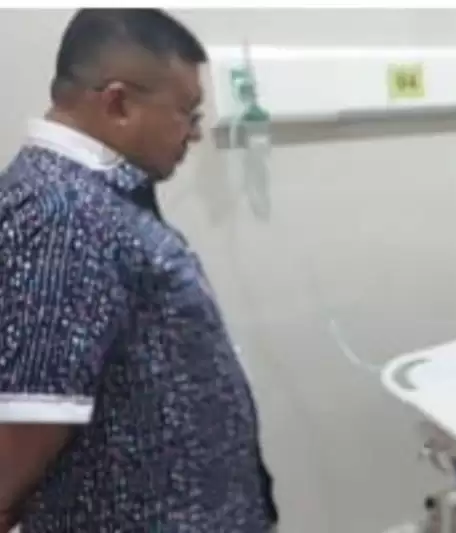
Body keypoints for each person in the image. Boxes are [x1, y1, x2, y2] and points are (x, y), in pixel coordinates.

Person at [0, 9, 279, 532]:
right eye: (187, 113)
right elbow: (32, 413)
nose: (195, 134)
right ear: (118, 103)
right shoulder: (61, 210)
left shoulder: (91, 198)